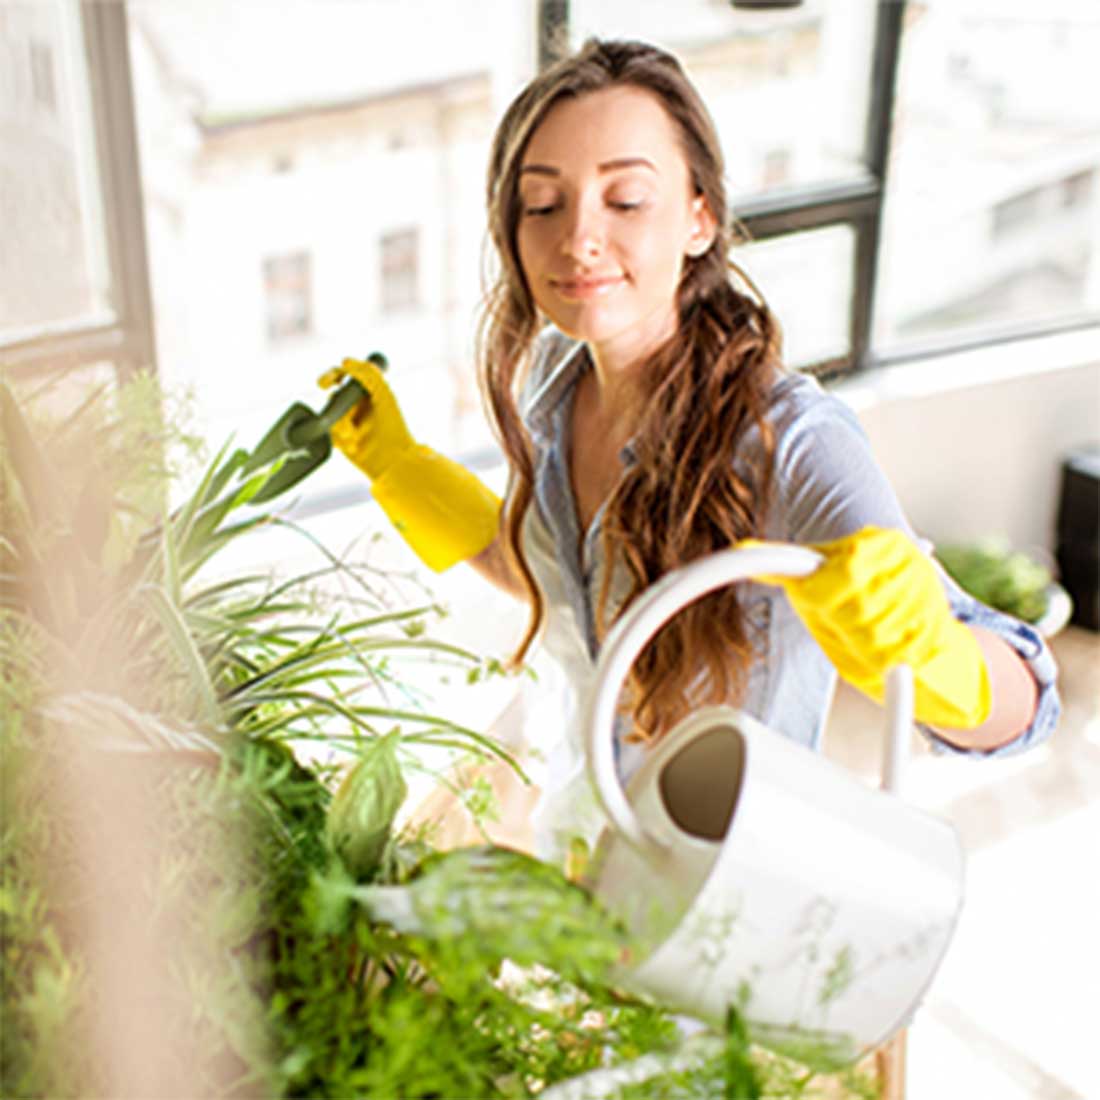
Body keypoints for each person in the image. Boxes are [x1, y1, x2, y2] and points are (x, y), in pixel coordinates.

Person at [319, 38, 1059, 860]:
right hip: (584, 849)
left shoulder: (793, 441)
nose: (579, 239)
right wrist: (402, 470)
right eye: (543, 204)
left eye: (626, 199)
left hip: (735, 889)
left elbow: (1028, 708)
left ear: (700, 217)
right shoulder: (556, 388)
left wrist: (934, 653)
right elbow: (563, 583)